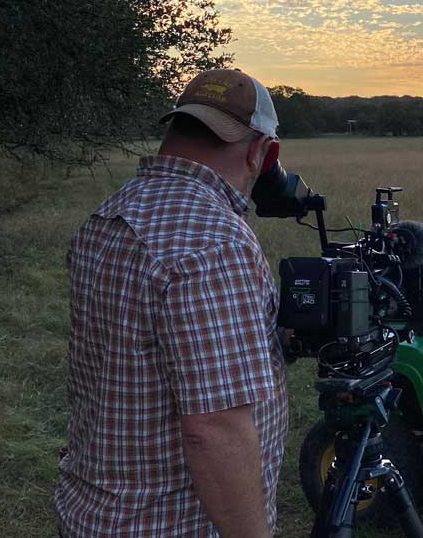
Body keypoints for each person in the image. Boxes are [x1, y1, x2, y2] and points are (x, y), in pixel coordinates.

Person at [56, 68, 288, 537]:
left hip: (91, 509)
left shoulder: (109, 215)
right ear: (262, 152)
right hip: (169, 525)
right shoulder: (215, 245)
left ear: (177, 128)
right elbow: (214, 427)